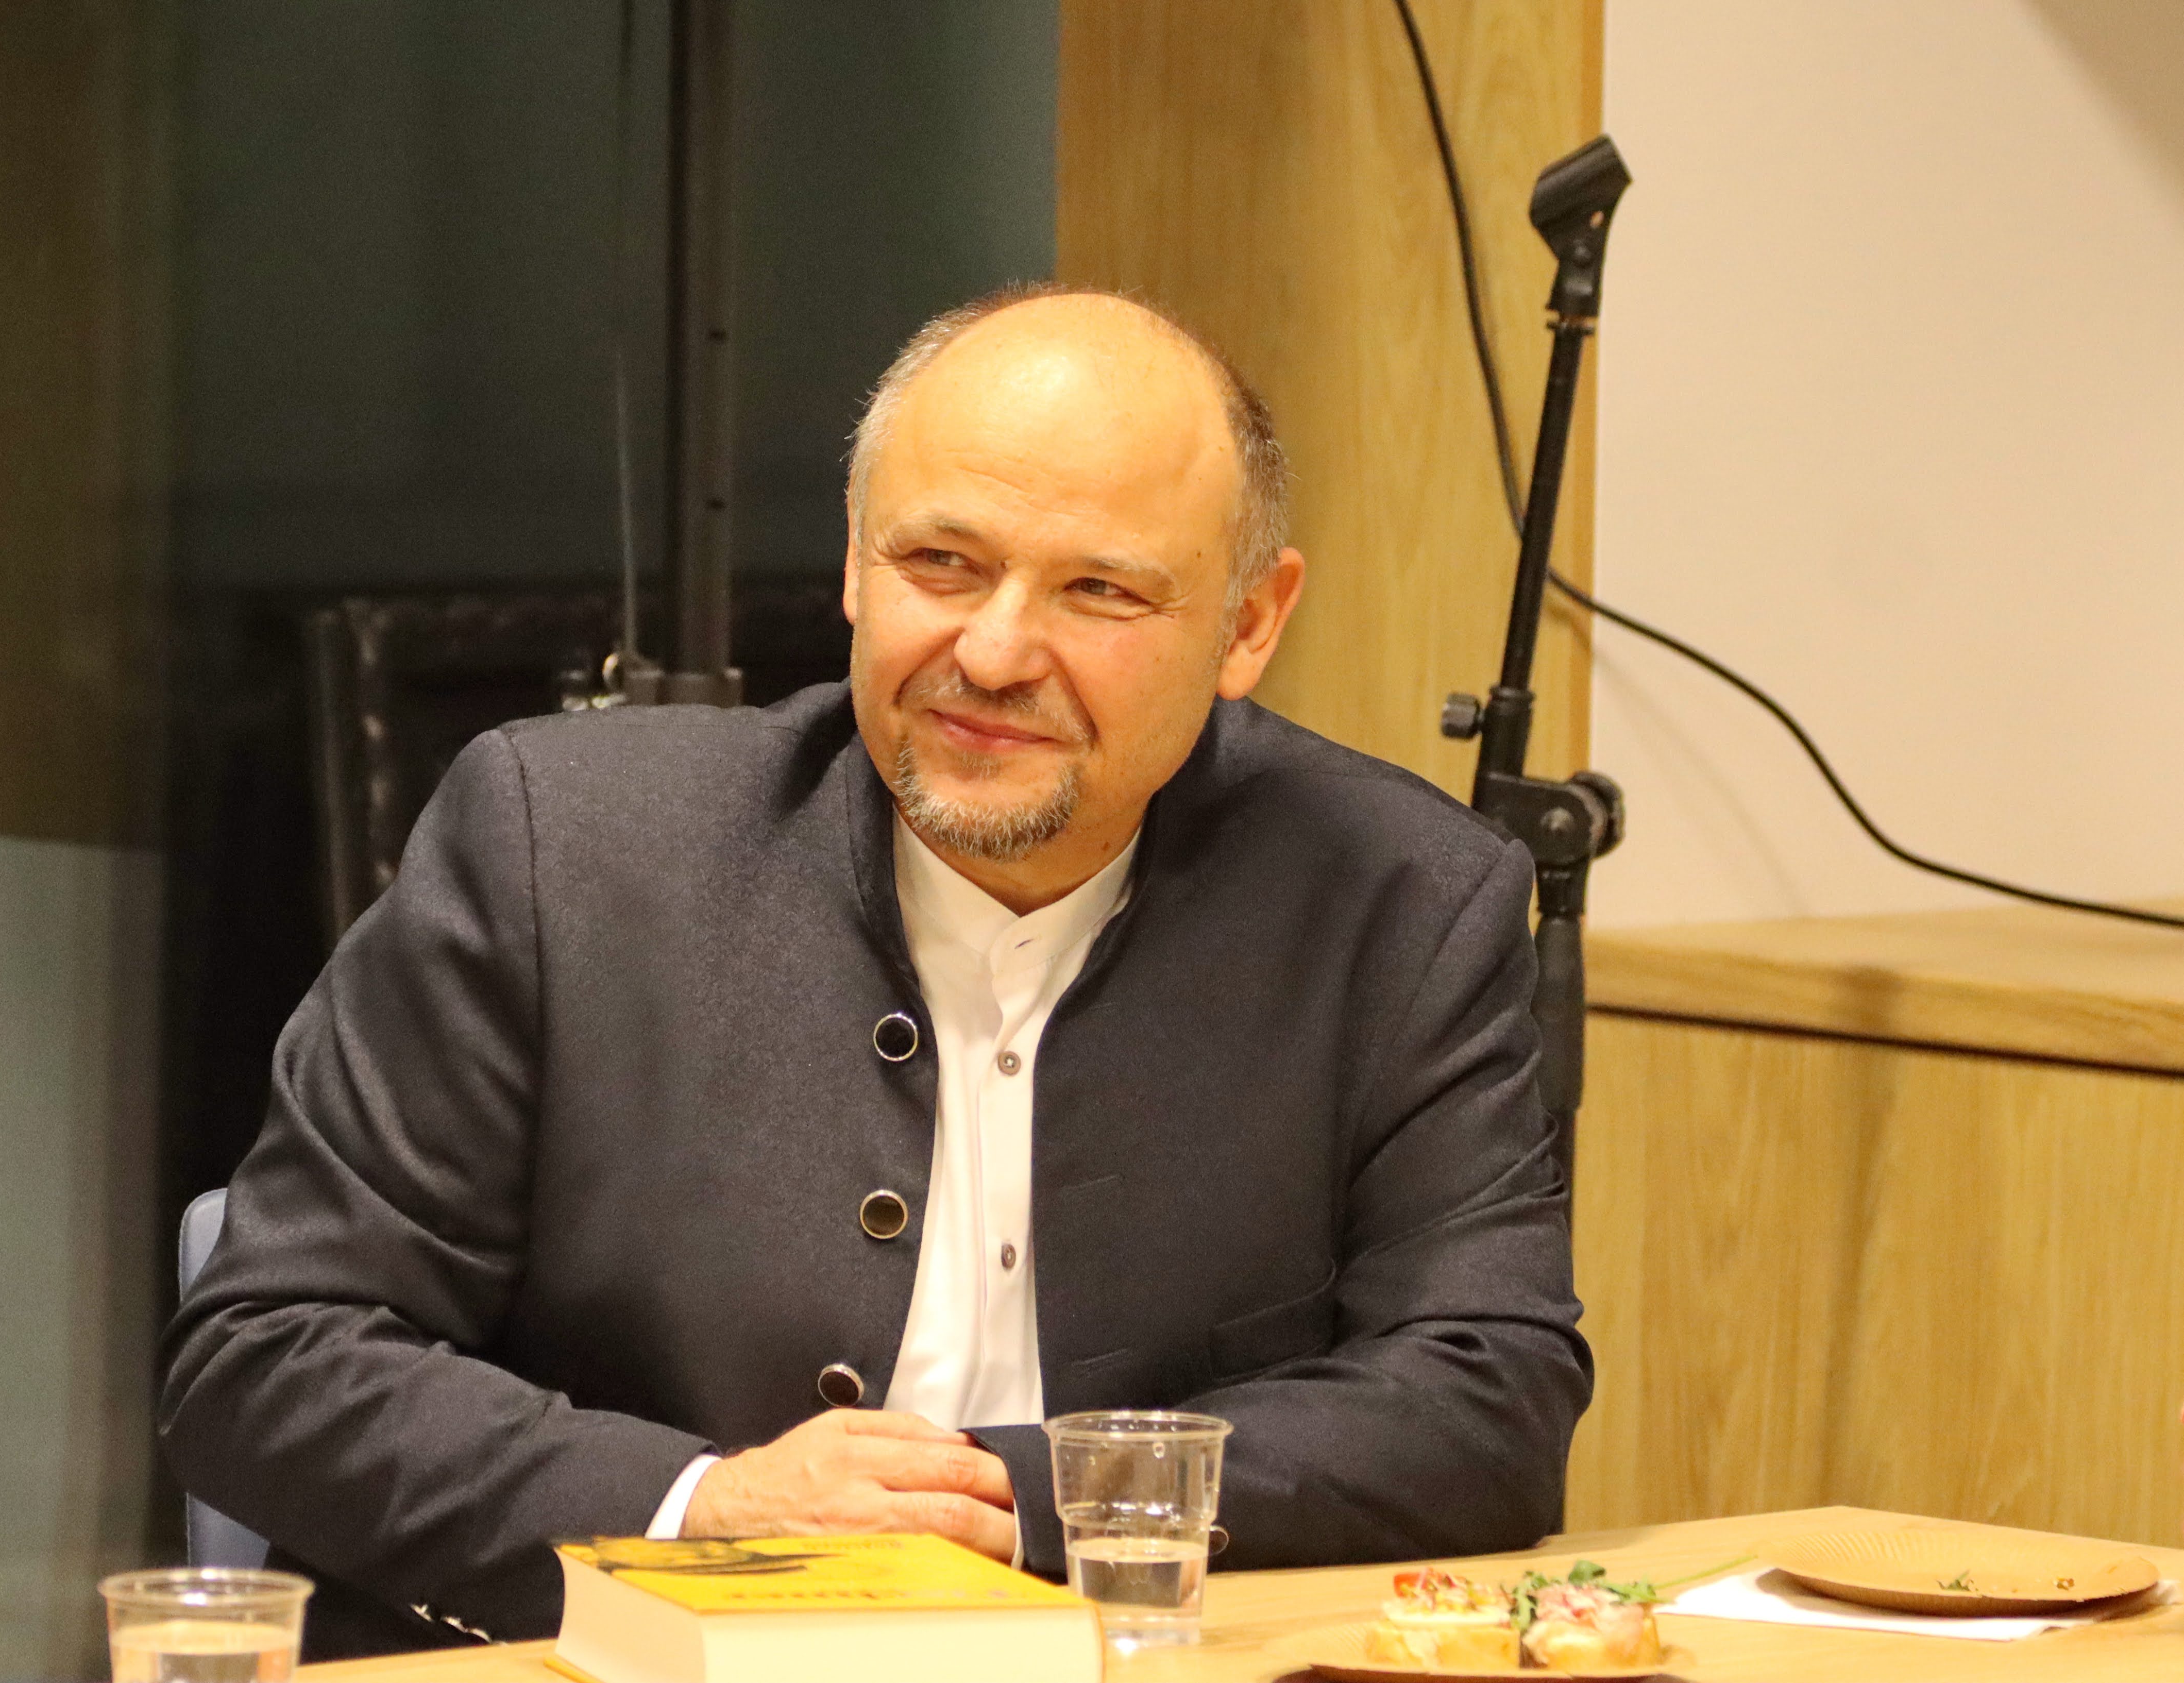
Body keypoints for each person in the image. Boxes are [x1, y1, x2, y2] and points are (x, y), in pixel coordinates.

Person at [159, 285, 1592, 1655]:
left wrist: (1022, 1498)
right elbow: (270, 1355)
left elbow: (1485, 1393)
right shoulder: (562, 846)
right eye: (941, 564)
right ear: (854, 563)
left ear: (1250, 623)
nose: (995, 651)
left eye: (1099, 591)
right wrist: (709, 1507)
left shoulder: (1399, 899)